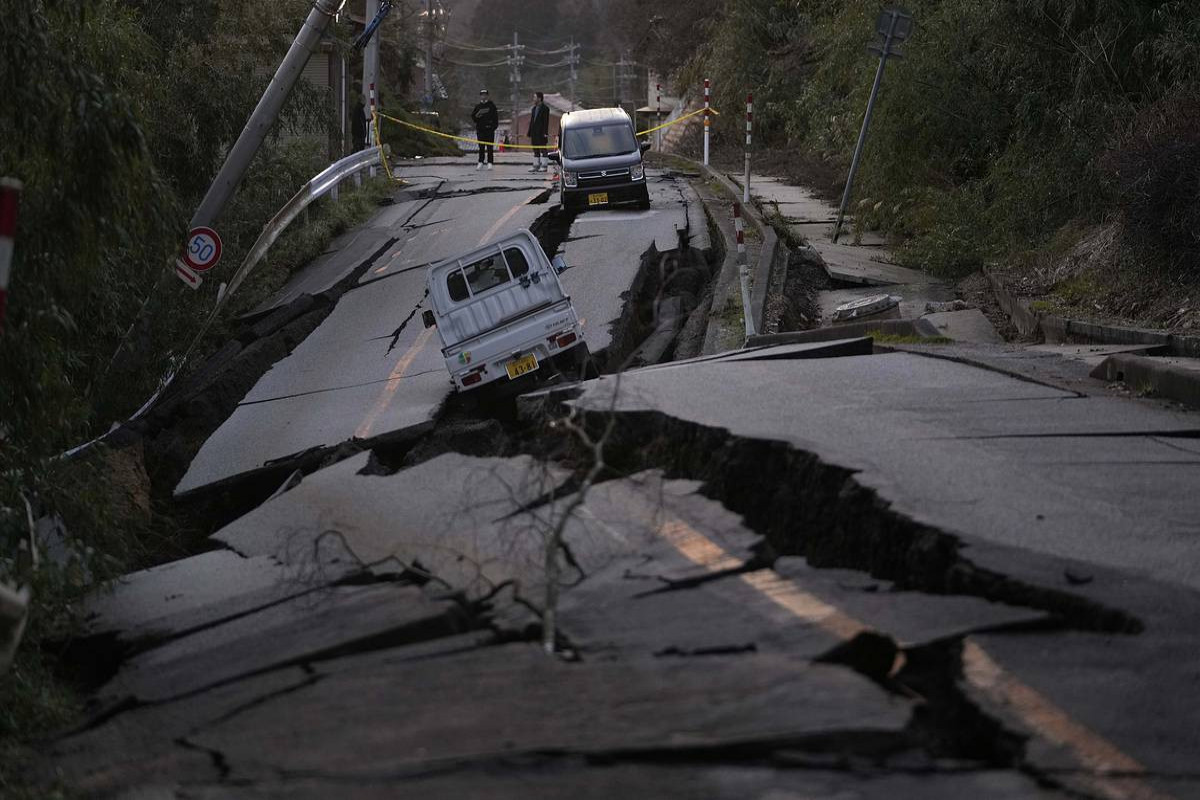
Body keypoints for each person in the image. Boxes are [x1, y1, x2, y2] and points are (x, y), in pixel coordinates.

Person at [471, 89, 499, 171]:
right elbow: (473, 117)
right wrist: (477, 116)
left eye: (485, 94)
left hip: (489, 130)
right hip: (480, 130)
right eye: (482, 95)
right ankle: (480, 162)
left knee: (490, 147)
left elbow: (495, 118)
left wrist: (493, 127)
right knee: (481, 147)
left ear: (487, 95)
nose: (483, 96)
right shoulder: (477, 107)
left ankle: (490, 162)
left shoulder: (491, 106)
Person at [527, 92, 550, 172]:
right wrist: (529, 132)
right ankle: (536, 165)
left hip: (541, 132)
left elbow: (546, 122)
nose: (534, 99)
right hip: (534, 133)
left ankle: (544, 166)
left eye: (535, 97)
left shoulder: (545, 109)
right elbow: (532, 121)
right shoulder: (534, 109)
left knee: (543, 149)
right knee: (535, 149)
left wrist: (545, 133)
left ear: (539, 98)